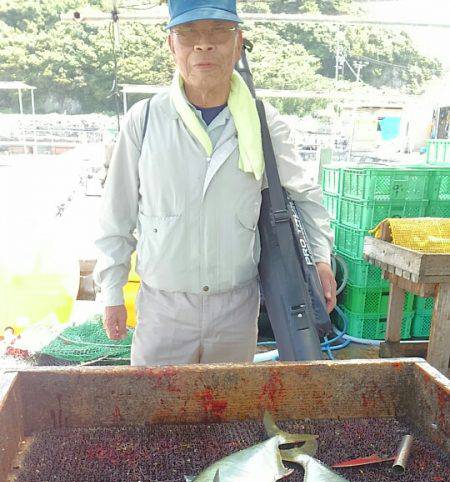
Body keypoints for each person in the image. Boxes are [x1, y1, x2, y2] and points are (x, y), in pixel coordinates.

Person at [95, 0, 336, 366]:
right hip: (163, 309)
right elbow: (117, 216)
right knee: (157, 415)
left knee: (228, 414)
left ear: (238, 43)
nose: (203, 45)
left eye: (218, 33)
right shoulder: (143, 121)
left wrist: (321, 259)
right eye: (188, 33)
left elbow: (305, 195)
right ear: (171, 45)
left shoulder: (263, 121)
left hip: (235, 309)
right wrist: (112, 292)